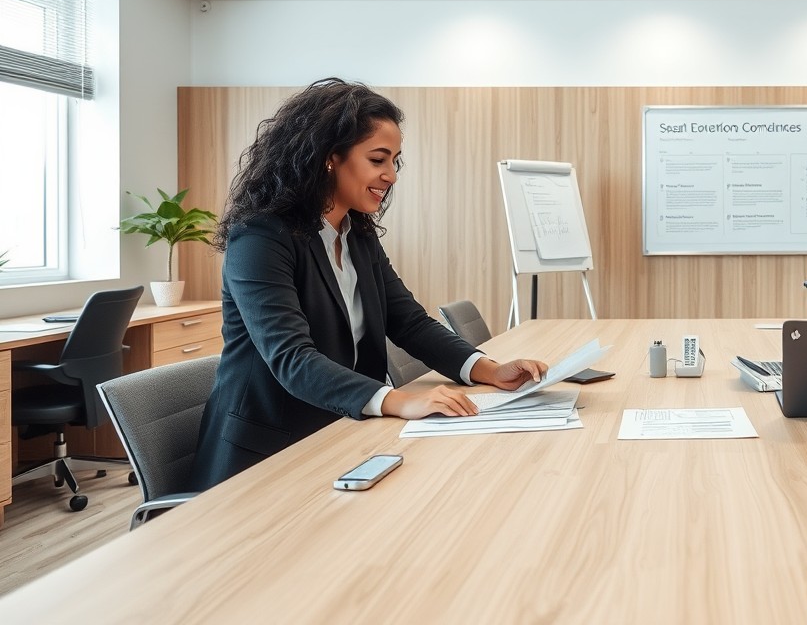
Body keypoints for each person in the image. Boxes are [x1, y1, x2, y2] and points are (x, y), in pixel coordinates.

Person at [189, 79, 548, 491]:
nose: (391, 175)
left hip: (342, 435)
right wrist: (399, 399)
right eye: (378, 159)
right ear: (329, 158)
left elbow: (409, 323)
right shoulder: (260, 237)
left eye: (395, 161)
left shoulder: (356, 233)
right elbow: (291, 358)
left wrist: (490, 369)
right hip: (266, 459)